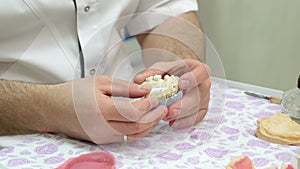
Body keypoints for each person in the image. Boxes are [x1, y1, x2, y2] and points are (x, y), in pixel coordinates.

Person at [0, 0, 211, 144]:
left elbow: (163, 10)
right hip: (15, 139)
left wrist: (177, 71)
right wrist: (47, 107)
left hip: (133, 137)